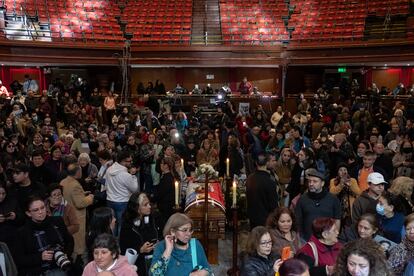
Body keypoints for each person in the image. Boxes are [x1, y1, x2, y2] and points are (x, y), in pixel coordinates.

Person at [13, 195, 74, 276]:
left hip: (61, 266)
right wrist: (40, 257)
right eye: (36, 210)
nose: (41, 212)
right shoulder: (22, 232)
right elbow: (19, 259)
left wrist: (66, 253)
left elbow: (69, 241)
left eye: (42, 208)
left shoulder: (57, 221)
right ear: (28, 213)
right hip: (38, 271)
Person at [119, 192, 163, 276]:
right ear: (137, 208)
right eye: (145, 205)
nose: (149, 207)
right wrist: (140, 250)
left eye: (149, 204)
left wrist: (159, 242)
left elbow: (161, 234)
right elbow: (124, 250)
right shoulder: (128, 226)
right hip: (138, 265)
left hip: (154, 259)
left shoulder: (154, 217)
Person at [60, 160, 94, 261]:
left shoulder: (63, 181)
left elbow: (70, 196)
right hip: (76, 217)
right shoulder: (75, 185)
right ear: (78, 172)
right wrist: (90, 198)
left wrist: (82, 194)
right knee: (78, 243)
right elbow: (80, 203)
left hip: (66, 215)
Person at [295, 168, 341, 241]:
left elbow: (337, 220)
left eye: (315, 181)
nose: (311, 184)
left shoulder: (333, 199)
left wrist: (334, 236)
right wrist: (300, 238)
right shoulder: (302, 199)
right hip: (307, 240)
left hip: (327, 240)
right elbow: (298, 221)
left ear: (322, 183)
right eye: (309, 181)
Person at [105, 151, 139, 236]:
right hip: (122, 202)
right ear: (122, 161)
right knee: (121, 225)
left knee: (112, 224)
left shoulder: (109, 170)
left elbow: (106, 184)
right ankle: (120, 244)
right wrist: (133, 175)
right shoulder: (125, 175)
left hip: (110, 200)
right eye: (129, 161)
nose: (131, 163)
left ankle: (112, 243)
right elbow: (135, 189)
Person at [246, 153, 279, 229]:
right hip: (266, 220)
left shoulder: (250, 178)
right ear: (267, 163)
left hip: (253, 218)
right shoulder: (270, 182)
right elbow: (273, 205)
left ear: (256, 163)